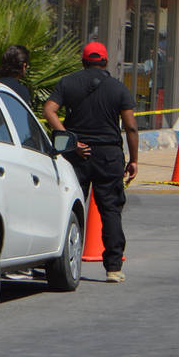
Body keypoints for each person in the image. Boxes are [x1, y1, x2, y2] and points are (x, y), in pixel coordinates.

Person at [43, 42, 139, 284]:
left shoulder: (68, 83)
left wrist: (70, 140)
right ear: (105, 62)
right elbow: (131, 127)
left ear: (83, 61)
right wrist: (134, 160)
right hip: (109, 156)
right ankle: (114, 268)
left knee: (72, 207)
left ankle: (62, 262)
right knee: (110, 210)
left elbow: (49, 110)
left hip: (78, 155)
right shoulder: (118, 89)